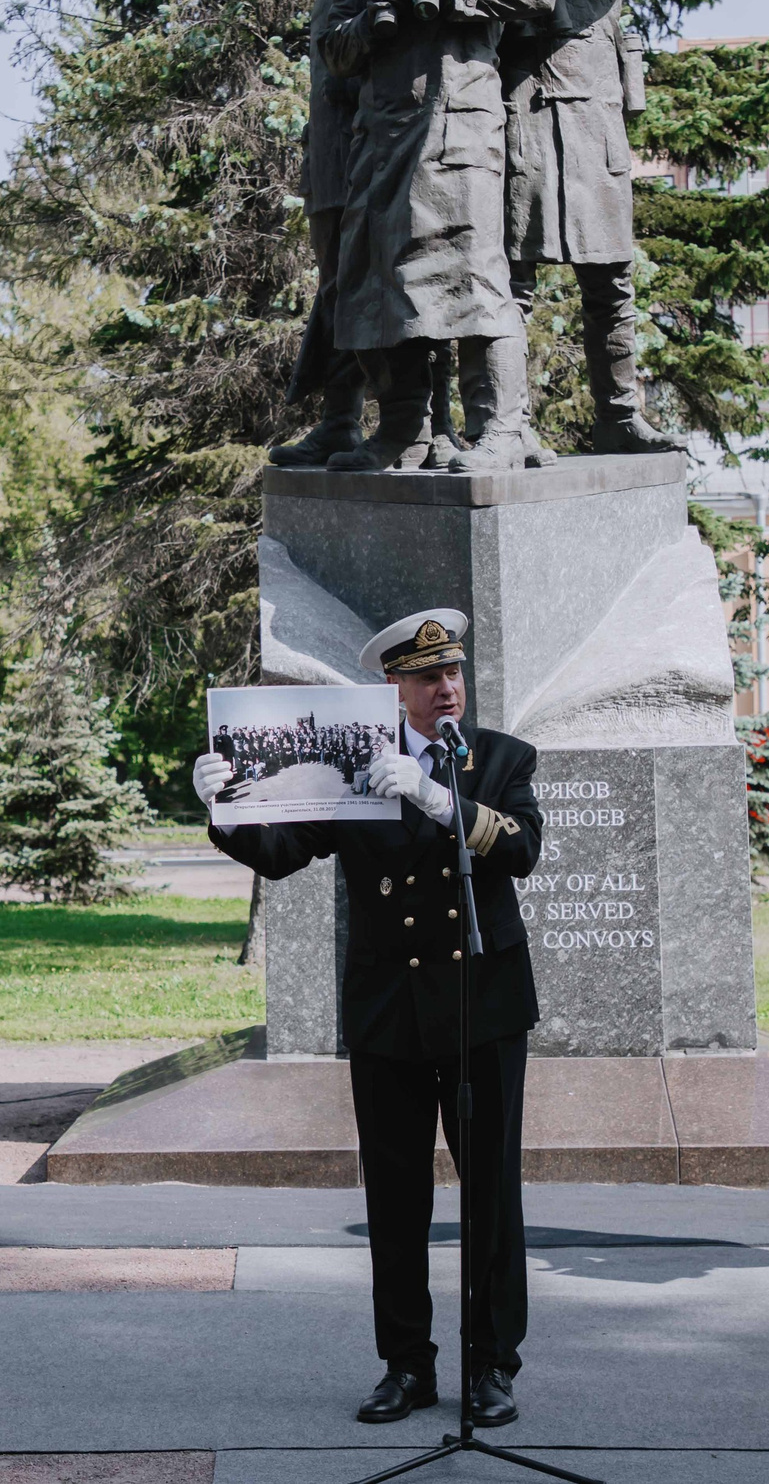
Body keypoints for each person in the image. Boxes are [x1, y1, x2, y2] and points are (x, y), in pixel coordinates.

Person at [194, 609, 544, 1427]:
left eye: (452, 673)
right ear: (394, 689)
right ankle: (406, 1366)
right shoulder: (354, 762)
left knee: (491, 1194)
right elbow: (282, 855)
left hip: (481, 1010)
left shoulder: (499, 759)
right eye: (427, 678)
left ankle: (491, 1364)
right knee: (395, 1199)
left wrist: (434, 797)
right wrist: (226, 810)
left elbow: (523, 849)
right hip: (390, 1011)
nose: (446, 688)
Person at [314, 0, 556, 472]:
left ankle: (500, 428)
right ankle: (405, 430)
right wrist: (370, 21)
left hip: (460, 126)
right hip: (381, 138)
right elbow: (333, 50)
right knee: (379, 284)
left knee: (474, 276)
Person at [496, 0, 682, 457]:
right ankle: (506, 424)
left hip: (594, 115)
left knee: (610, 280)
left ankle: (619, 416)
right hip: (517, 112)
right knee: (511, 279)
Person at [268, 0, 378, 469]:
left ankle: (402, 422)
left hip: (370, 147)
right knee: (337, 288)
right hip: (331, 160)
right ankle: (340, 422)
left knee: (362, 286)